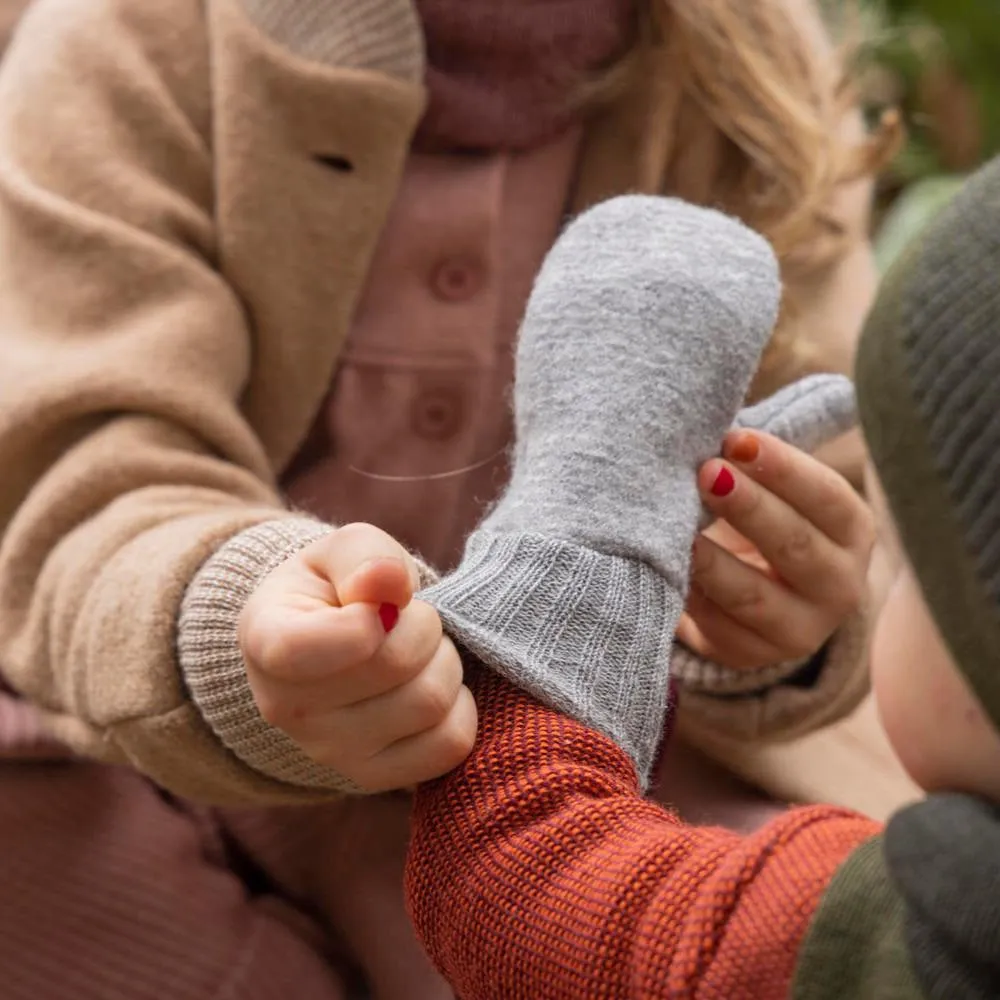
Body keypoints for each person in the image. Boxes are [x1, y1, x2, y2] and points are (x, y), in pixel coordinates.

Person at [0, 0, 893, 996]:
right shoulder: (128, 36)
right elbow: (80, 476)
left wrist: (784, 619)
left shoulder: (756, 72)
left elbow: (849, 492)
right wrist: (239, 622)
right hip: (135, 757)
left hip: (609, 763)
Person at [404, 165, 1000, 998]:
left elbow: (521, 876)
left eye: (909, 571)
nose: (885, 589)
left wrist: (583, 544)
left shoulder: (931, 942)